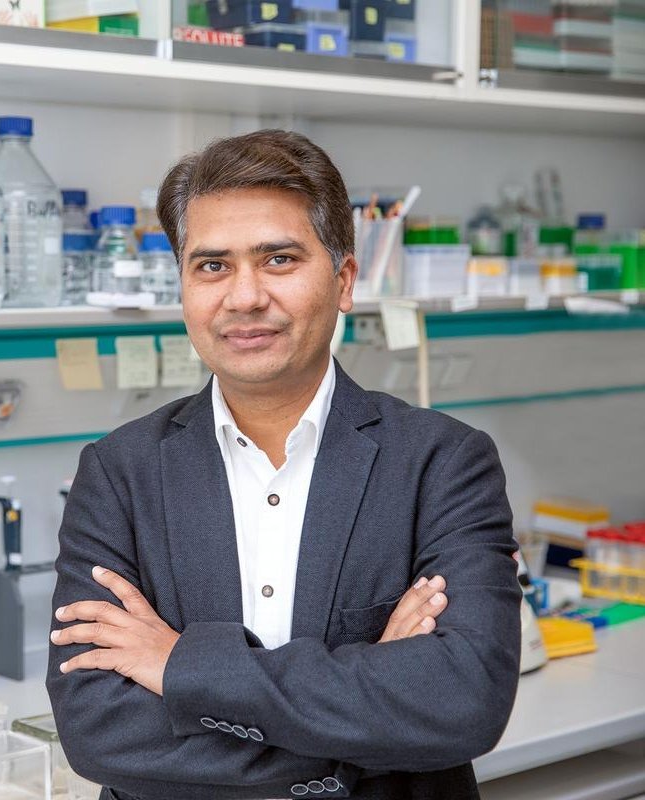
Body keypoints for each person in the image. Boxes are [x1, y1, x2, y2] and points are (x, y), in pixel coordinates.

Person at [46, 130, 520, 800]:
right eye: (212, 266)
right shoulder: (118, 472)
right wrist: (359, 729)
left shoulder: (443, 462)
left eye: (278, 259)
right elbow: (98, 730)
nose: (243, 297)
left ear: (344, 279)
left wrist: (181, 665)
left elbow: (463, 701)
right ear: (182, 285)